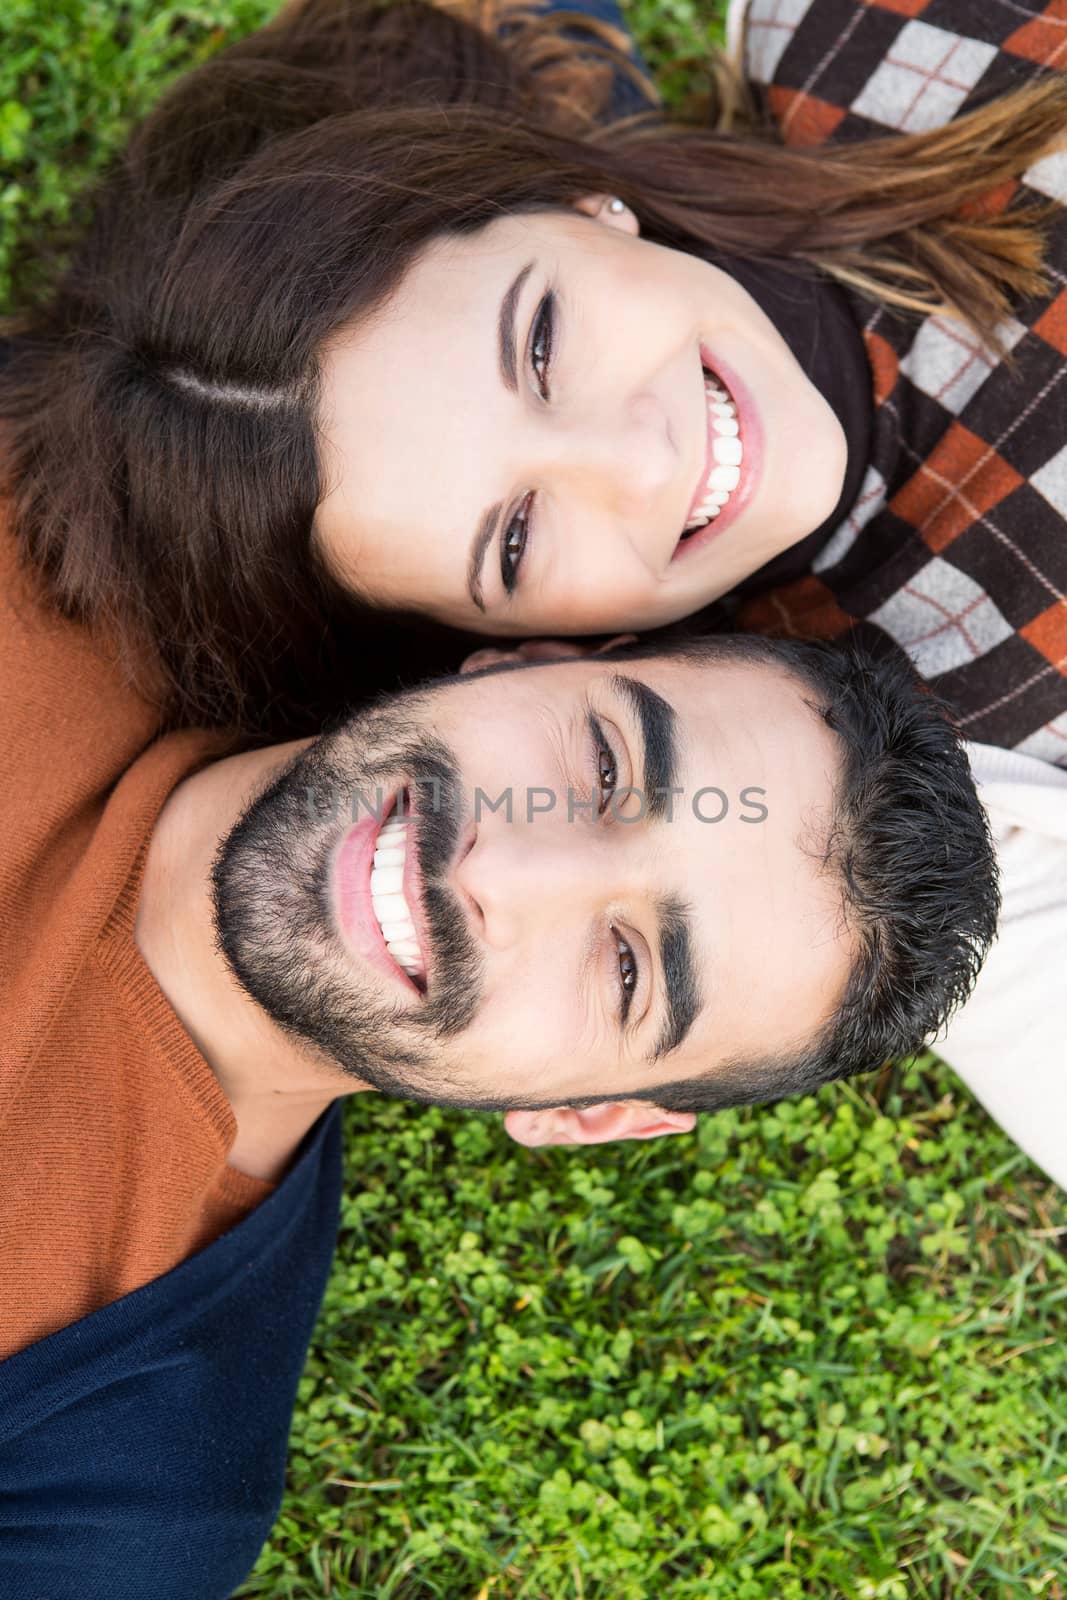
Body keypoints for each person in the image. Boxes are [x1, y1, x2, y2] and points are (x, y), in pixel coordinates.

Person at [0, 507, 996, 1595]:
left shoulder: (121, 1486)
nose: (504, 873)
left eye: (627, 971)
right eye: (608, 764)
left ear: (588, 1113)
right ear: (525, 658)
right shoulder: (53, 521)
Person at [2, 0, 1066, 746]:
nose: (640, 461)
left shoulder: (864, 29)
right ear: (515, 644)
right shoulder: (951, 754)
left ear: (571, 197)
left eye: (541, 341)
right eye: (512, 540)